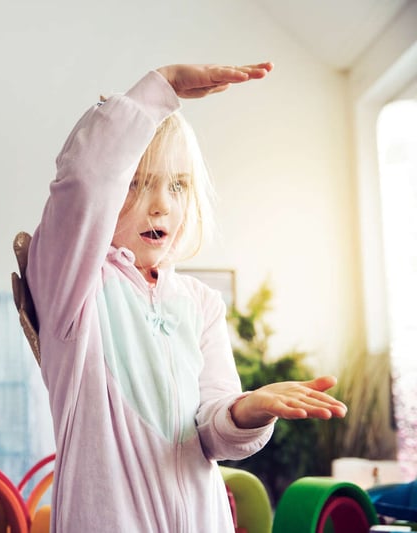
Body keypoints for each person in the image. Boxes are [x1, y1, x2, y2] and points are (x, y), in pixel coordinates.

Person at [20, 63, 348, 531]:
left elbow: (216, 433)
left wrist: (247, 409)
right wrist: (161, 89)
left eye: (177, 185)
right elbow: (83, 181)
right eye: (137, 182)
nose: (162, 204)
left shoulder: (200, 303)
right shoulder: (76, 289)